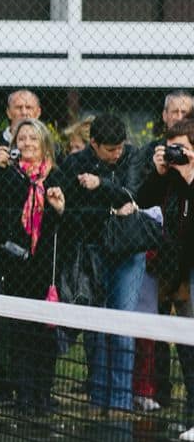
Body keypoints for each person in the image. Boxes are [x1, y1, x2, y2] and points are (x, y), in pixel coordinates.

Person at [60, 114, 149, 413]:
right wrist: (111, 205)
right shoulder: (75, 163)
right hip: (92, 253)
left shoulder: (133, 157)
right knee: (95, 327)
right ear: (94, 144)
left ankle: (121, 401)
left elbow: (131, 194)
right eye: (110, 149)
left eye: (120, 147)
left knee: (122, 325)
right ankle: (98, 398)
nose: (117, 153)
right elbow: (73, 210)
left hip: (128, 252)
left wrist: (101, 185)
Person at [0, 118, 66, 416]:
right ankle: (24, 395)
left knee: (44, 335)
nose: (28, 143)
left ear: (44, 144)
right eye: (22, 139)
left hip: (46, 267)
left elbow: (69, 225)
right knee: (19, 333)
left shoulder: (56, 176)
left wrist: (59, 210)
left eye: (33, 138)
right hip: (15, 264)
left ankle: (42, 394)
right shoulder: (9, 175)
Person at [134, 90, 193, 411]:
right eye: (173, 148)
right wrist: (160, 173)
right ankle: (160, 395)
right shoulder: (156, 160)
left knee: (188, 335)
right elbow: (142, 201)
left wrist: (190, 175)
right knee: (160, 330)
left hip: (189, 265)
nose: (176, 154)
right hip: (165, 261)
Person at [0, 89, 42, 174]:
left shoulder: (50, 147)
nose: (24, 112)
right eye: (18, 107)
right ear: (9, 112)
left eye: (29, 107)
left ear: (38, 113)